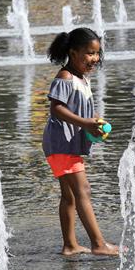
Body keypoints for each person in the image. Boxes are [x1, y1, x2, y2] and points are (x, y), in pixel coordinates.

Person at [43, 27, 119, 256]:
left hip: (62, 144)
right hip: (61, 143)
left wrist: (94, 121)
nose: (95, 59)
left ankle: (70, 245)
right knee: (83, 190)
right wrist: (84, 123)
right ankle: (98, 244)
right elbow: (56, 108)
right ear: (73, 52)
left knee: (70, 195)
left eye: (97, 53)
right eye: (89, 53)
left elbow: (79, 108)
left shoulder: (81, 78)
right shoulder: (65, 77)